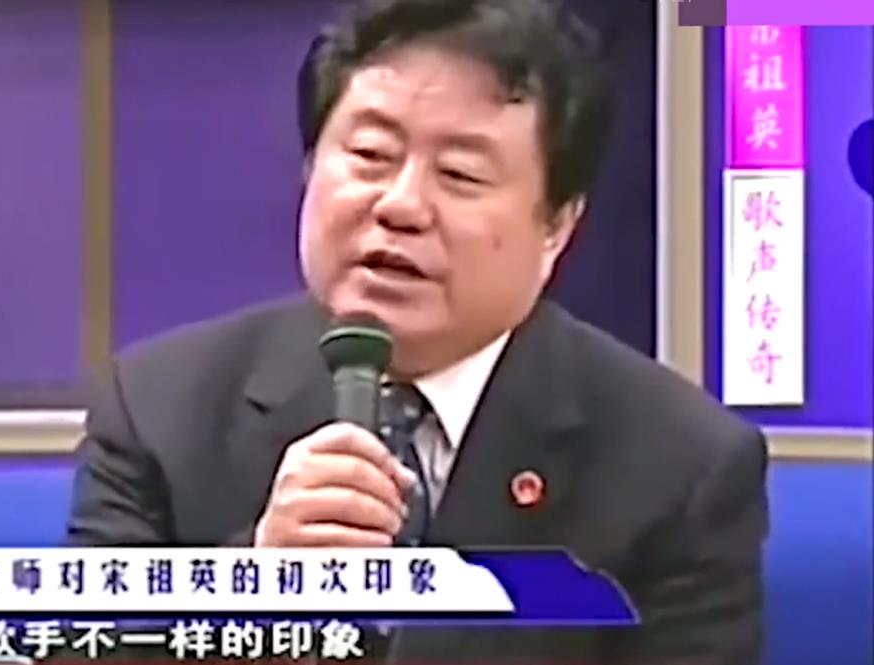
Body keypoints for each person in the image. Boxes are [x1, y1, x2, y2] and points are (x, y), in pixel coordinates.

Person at [68, 0, 768, 663]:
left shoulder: (682, 467)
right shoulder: (158, 410)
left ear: (557, 226)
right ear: (311, 168)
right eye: (371, 155)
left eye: (460, 174)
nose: (400, 205)